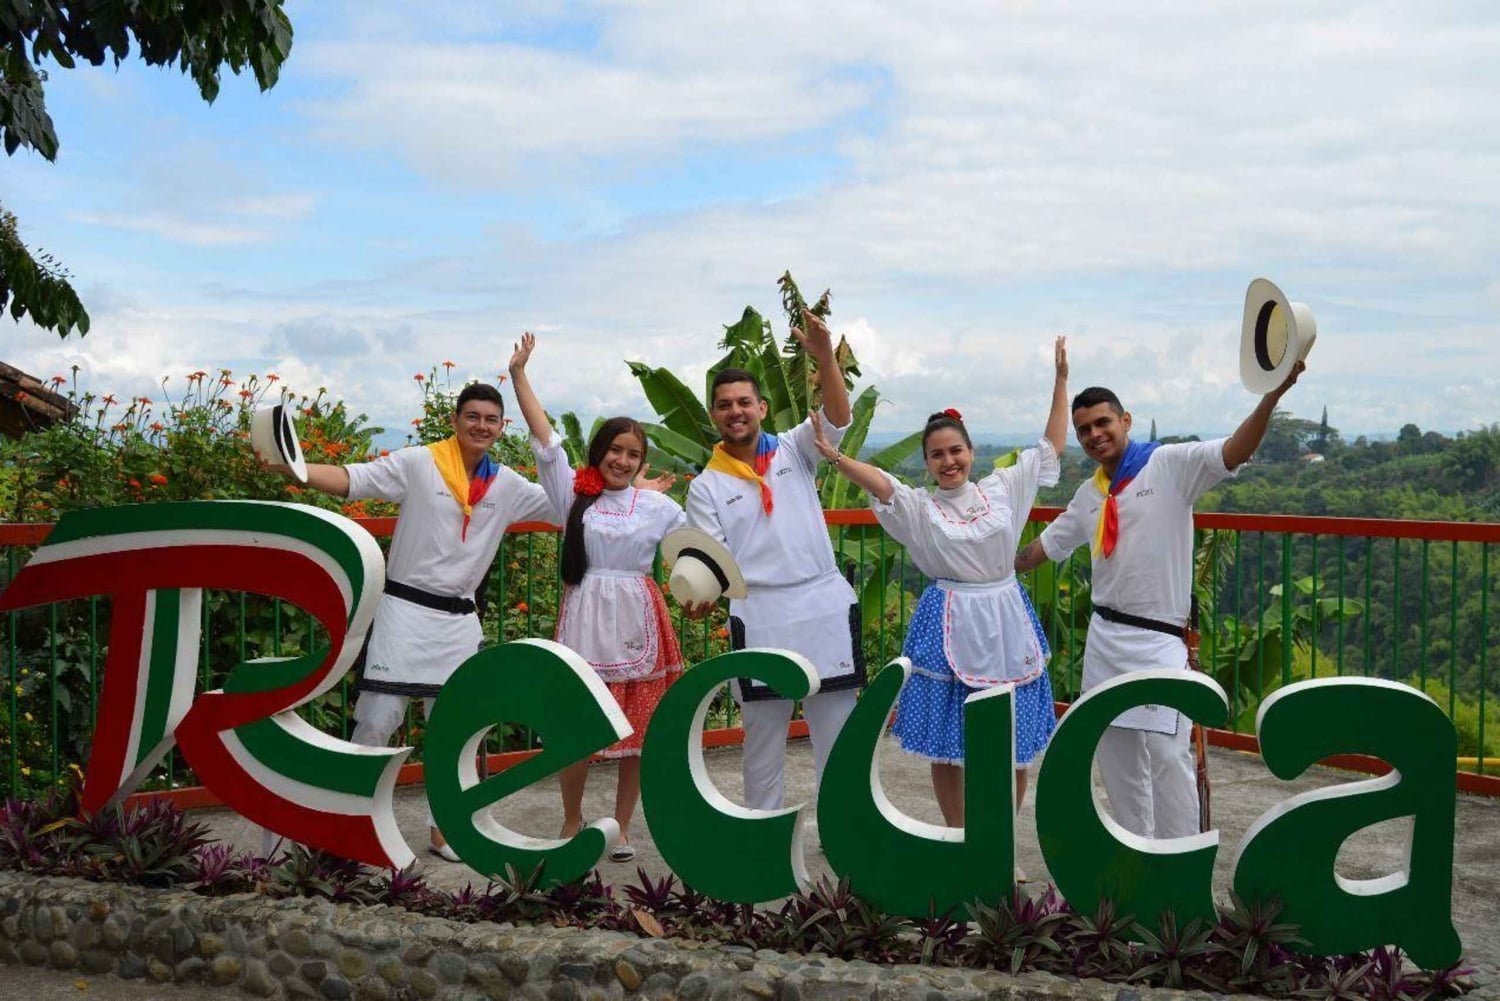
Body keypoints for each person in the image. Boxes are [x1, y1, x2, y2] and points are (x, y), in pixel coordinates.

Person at [256, 381, 554, 861]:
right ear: (456, 421)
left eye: (490, 419)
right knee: (377, 721)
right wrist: (296, 470)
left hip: (458, 621)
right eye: (473, 416)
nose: (481, 425)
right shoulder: (420, 463)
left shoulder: (509, 485)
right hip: (403, 612)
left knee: (451, 731)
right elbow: (355, 478)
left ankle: (446, 829)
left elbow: (569, 503)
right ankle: (346, 819)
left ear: (502, 427)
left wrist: (633, 487)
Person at [1015, 360, 1307, 839]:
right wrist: (985, 566)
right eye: (1084, 429)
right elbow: (1042, 550)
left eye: (1103, 423)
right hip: (1105, 642)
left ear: (1125, 421)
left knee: (1170, 759)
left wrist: (1272, 396)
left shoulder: (1170, 466)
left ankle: (1182, 865)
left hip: (1160, 643)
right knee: (1115, 758)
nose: (1094, 435)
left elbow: (1234, 451)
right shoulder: (1090, 496)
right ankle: (1135, 863)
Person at [810, 338, 1069, 826]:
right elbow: (884, 484)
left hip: (1005, 615)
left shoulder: (1003, 488)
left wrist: (1060, 380)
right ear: (926, 462)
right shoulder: (921, 508)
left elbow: (1049, 447)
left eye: (956, 451)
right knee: (949, 741)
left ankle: (999, 839)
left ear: (971, 451)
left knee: (1011, 739)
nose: (948, 462)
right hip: (948, 617)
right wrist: (839, 460)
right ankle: (958, 834)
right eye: (936, 455)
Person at [507, 332, 684, 862]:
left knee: (639, 731)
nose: (624, 461)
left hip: (639, 618)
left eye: (634, 454)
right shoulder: (571, 495)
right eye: (616, 450)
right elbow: (546, 443)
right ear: (598, 453)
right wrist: (519, 376)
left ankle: (623, 827)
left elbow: (699, 547)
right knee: (577, 729)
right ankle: (570, 818)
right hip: (584, 618)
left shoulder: (656, 508)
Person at [682, 309, 863, 813]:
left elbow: (838, 416)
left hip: (822, 605)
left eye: (744, 402)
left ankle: (844, 837)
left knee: (838, 737)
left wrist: (825, 358)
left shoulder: (795, 448)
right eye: (724, 405)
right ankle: (763, 844)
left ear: (762, 407)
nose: (735, 411)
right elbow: (711, 562)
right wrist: (700, 595)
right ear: (714, 415)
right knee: (762, 744)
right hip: (759, 615)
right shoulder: (706, 486)